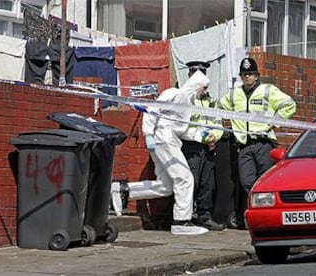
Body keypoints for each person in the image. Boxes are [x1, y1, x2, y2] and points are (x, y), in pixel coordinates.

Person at [125, 70, 211, 235]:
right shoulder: (175, 93)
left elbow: (182, 131)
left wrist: (200, 135)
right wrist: (148, 133)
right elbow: (152, 109)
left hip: (166, 141)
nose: (204, 92)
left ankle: (122, 191)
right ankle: (181, 222)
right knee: (184, 178)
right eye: (204, 87)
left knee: (166, 186)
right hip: (164, 140)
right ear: (196, 85)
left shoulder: (188, 105)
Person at [218, 57, 297, 228]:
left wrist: (274, 122)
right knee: (247, 181)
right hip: (244, 146)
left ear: (257, 75)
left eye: (251, 74)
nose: (248, 77)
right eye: (244, 74)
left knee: (266, 180)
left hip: (264, 143)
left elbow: (289, 105)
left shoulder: (268, 90)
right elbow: (218, 107)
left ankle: (268, 218)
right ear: (240, 76)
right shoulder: (234, 94)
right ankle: (257, 213)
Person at [181, 61, 225, 231]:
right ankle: (186, 216)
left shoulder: (211, 100)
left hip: (208, 147)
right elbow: (182, 124)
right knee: (191, 181)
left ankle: (204, 215)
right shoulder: (184, 98)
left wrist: (214, 137)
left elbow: (218, 122)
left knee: (208, 183)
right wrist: (202, 137)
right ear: (190, 76)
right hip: (191, 145)